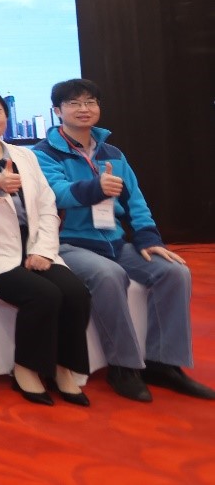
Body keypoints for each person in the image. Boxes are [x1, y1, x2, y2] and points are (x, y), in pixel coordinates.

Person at [35, 78, 214, 401]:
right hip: (70, 244)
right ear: (57, 111)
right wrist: (96, 188)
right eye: (74, 103)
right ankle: (123, 366)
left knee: (174, 272)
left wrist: (147, 238)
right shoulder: (43, 153)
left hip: (115, 242)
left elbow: (136, 201)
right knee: (108, 275)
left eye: (90, 102)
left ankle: (163, 363)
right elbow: (55, 193)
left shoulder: (113, 153)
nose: (84, 109)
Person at [0, 86, 91, 406]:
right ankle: (25, 367)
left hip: (33, 244)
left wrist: (43, 250)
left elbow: (48, 205)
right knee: (43, 294)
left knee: (76, 293)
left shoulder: (25, 155)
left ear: (6, 117)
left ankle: (63, 368)